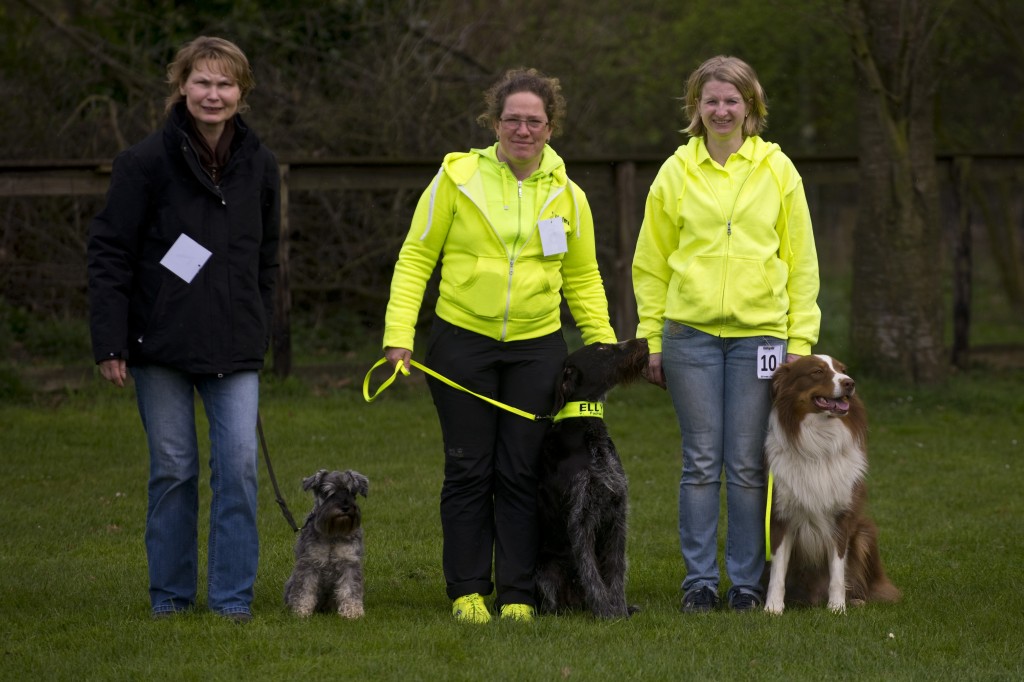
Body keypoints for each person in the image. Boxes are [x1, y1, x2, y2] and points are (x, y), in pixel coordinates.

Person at [382, 67, 616, 623]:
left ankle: (516, 593)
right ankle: (466, 590)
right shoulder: (455, 179)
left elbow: (583, 278)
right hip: (461, 342)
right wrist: (398, 336)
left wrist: (603, 347)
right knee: (468, 469)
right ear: (494, 123)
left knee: (520, 471)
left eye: (534, 120)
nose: (523, 129)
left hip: (538, 348)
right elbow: (416, 257)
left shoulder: (568, 194)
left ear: (551, 127)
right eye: (512, 119)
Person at [87, 36, 280, 623]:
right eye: (202, 82)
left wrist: (258, 322)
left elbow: (267, 256)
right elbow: (109, 253)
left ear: (242, 92)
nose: (213, 94)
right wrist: (110, 341)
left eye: (225, 84)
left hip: (235, 347)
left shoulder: (261, 164)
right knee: (173, 470)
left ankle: (230, 601)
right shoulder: (143, 162)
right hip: (158, 345)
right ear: (182, 86)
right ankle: (170, 598)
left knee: (240, 471)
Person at [631, 55, 821, 613]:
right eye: (710, 100)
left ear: (751, 107)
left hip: (761, 339)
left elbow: (802, 261)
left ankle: (743, 582)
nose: (720, 110)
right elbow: (651, 263)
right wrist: (652, 340)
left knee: (745, 463)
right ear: (696, 108)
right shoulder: (674, 172)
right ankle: (698, 583)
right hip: (688, 335)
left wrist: (800, 345)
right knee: (699, 462)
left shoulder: (779, 171)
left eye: (731, 100)